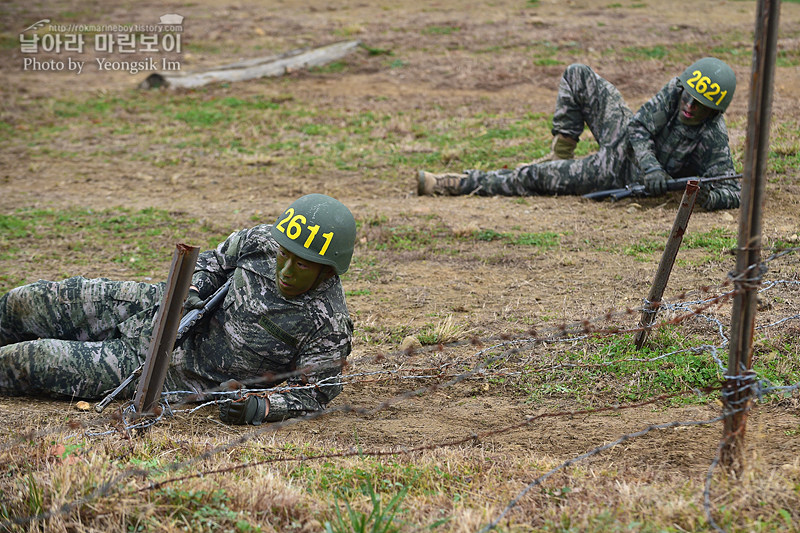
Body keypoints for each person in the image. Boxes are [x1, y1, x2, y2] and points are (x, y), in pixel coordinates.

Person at [0, 194, 357, 426]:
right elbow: (215, 262)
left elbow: (315, 391)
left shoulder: (328, 324)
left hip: (162, 367)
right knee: (27, 300)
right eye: (284, 256)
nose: (286, 271)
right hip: (154, 306)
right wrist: (195, 288)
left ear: (328, 269)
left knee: (32, 360)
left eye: (303, 266)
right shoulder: (264, 239)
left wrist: (259, 408)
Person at [417, 57, 741, 211]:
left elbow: (733, 190)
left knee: (534, 177)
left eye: (699, 105)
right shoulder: (675, 90)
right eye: (688, 97)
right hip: (624, 144)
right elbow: (639, 127)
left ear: (714, 111)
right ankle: (561, 152)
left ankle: (456, 183)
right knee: (578, 74)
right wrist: (653, 166)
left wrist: (704, 196)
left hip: (617, 173)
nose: (689, 106)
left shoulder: (712, 136)